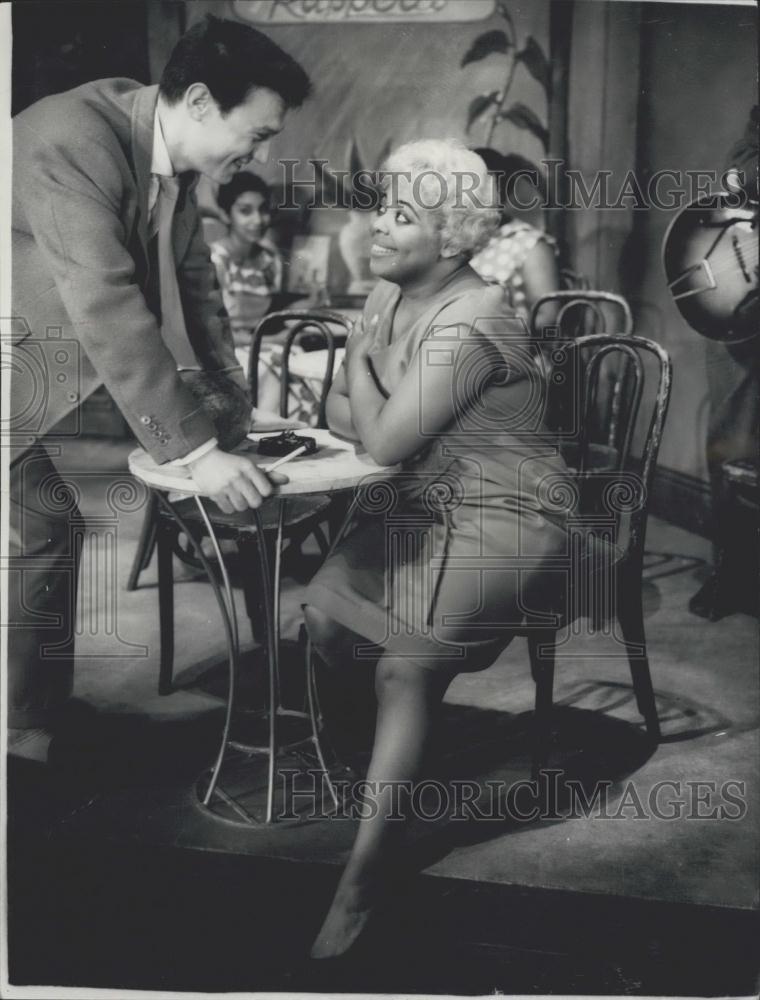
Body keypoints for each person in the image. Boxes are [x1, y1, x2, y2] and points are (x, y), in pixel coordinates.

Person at [8, 15, 311, 759]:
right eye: (260, 133)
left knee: (46, 529)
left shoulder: (164, 154)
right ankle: (20, 735)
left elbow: (196, 286)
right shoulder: (72, 136)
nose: (262, 155)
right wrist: (200, 454)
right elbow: (108, 303)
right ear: (202, 101)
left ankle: (29, 715)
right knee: (39, 530)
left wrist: (233, 400)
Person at [302, 139, 573, 958]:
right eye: (382, 205)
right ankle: (381, 785)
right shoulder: (386, 295)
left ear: (455, 238)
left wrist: (357, 372)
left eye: (403, 215)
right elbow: (362, 425)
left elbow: (373, 433)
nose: (377, 225)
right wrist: (369, 394)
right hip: (422, 500)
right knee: (318, 614)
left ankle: (364, 879)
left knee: (405, 666)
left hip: (511, 512)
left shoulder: (478, 315)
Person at [469, 147, 560, 326]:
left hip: (507, 348)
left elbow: (547, 317)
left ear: (500, 194)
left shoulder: (527, 244)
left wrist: (495, 330)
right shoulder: (455, 242)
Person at [209, 172, 283, 344]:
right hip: (224, 353)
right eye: (245, 211)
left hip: (263, 346)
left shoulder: (271, 260)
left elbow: (272, 316)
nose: (257, 220)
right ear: (225, 214)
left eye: (263, 210)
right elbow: (208, 332)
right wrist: (272, 341)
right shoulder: (213, 260)